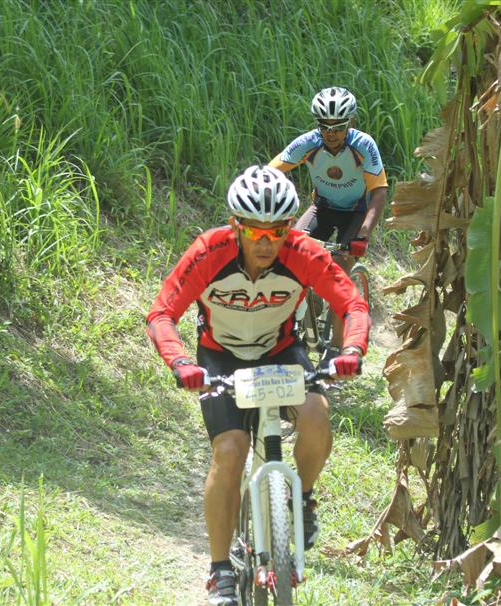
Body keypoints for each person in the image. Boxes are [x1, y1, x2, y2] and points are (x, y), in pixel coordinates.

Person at [146, 165, 370, 606]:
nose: (266, 243)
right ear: (236, 225)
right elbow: (162, 314)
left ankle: (302, 499)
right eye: (254, 231)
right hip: (220, 357)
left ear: (290, 227)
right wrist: (180, 361)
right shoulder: (209, 251)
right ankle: (220, 571)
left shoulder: (303, 253)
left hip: (279, 352)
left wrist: (352, 350)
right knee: (230, 450)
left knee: (316, 414)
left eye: (278, 231)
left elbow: (352, 304)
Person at [269, 86, 387, 365]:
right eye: (324, 126)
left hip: (355, 213)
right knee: (291, 255)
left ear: (350, 123)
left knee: (338, 273)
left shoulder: (363, 145)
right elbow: (269, 173)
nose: (331, 133)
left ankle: (335, 348)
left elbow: (379, 191)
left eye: (338, 126)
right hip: (322, 208)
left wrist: (363, 235)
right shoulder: (308, 143)